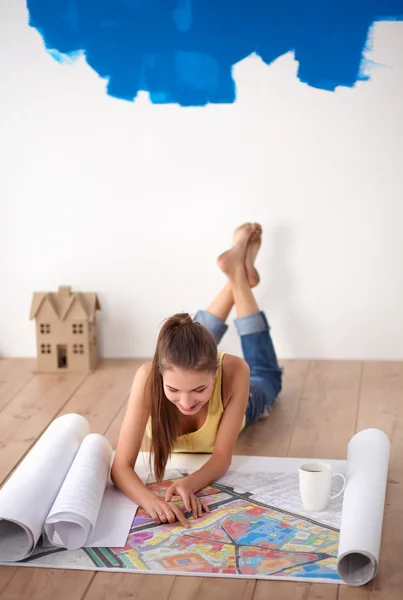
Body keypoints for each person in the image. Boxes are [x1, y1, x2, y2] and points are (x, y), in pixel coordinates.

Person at [111, 223, 283, 529]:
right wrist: (152, 501)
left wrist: (189, 483)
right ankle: (237, 275)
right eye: (174, 389)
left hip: (247, 400)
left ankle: (238, 278)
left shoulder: (234, 370)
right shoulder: (147, 377)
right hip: (189, 360)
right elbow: (121, 467)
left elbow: (221, 458)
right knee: (187, 345)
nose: (186, 402)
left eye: (200, 390)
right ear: (161, 374)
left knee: (268, 374)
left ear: (216, 370)